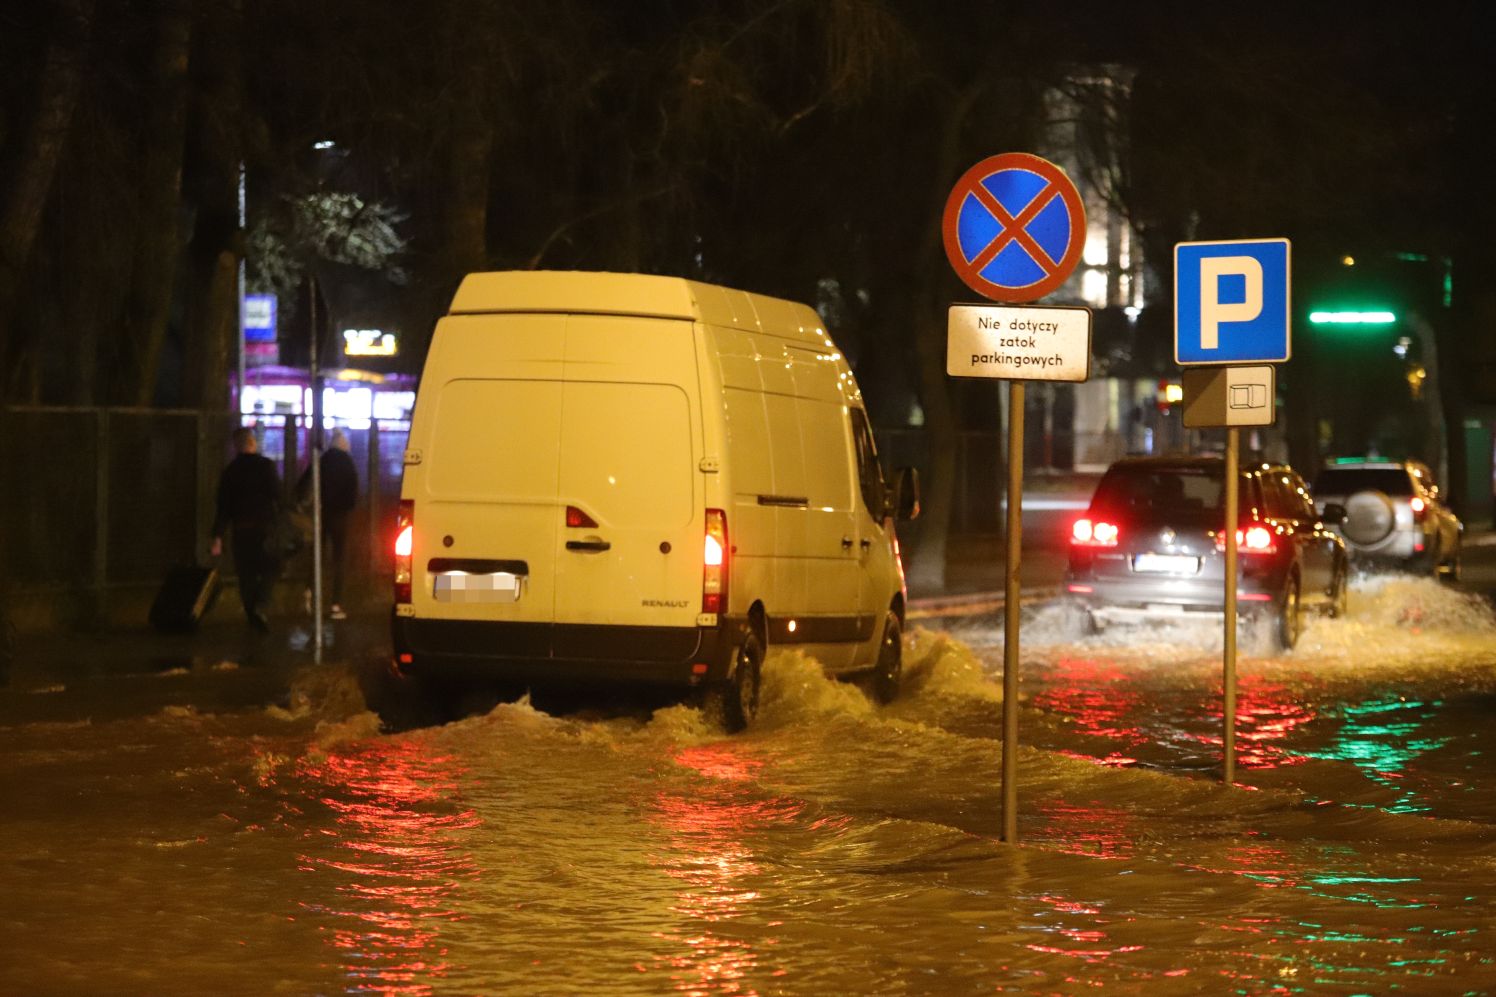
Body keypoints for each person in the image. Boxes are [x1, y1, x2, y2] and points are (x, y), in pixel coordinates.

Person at [211, 427, 282, 632]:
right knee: (271, 567)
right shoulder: (266, 466)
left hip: (241, 530)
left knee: (246, 574)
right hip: (264, 528)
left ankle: (252, 615)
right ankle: (261, 605)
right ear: (252, 443)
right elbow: (277, 494)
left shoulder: (230, 472)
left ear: (236, 446)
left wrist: (217, 535)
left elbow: (223, 507)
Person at [297, 428, 358, 620]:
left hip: (320, 515)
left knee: (318, 555)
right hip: (340, 516)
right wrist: (347, 507)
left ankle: (309, 591)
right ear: (343, 443)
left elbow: (302, 484)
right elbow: (353, 491)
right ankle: (335, 604)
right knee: (339, 559)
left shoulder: (321, 460)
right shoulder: (348, 462)